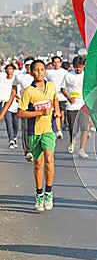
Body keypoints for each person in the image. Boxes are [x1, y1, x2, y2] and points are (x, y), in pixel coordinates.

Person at [17, 59, 60, 211]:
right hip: (34, 131)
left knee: (49, 158)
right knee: (38, 163)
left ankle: (49, 192)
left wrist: (57, 112)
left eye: (42, 69)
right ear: (31, 72)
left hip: (48, 130)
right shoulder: (29, 91)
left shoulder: (51, 86)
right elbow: (20, 112)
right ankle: (39, 194)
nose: (40, 72)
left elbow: (55, 98)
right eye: (36, 70)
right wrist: (40, 112)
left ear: (45, 71)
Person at [0, 57, 34, 160]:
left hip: (37, 106)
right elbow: (13, 92)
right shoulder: (20, 77)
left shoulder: (41, 77)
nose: (29, 68)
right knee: (26, 128)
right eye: (27, 65)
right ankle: (28, 151)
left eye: (31, 66)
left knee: (36, 130)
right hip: (24, 106)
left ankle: (35, 149)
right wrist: (3, 112)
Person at [61, 55, 89, 158]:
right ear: (73, 66)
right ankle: (72, 140)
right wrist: (69, 98)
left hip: (83, 105)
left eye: (81, 67)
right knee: (73, 127)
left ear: (84, 66)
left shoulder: (86, 76)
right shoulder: (68, 75)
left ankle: (82, 149)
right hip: (71, 105)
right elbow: (63, 89)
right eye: (77, 67)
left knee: (84, 128)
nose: (78, 69)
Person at [46, 56, 68, 139]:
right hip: (52, 96)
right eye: (54, 62)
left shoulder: (65, 72)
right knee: (55, 114)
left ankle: (60, 127)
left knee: (61, 114)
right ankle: (58, 130)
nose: (56, 64)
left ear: (60, 63)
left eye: (58, 62)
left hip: (62, 96)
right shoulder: (48, 72)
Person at [0, 64, 19, 149]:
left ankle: (14, 136)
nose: (9, 70)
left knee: (15, 123)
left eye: (11, 69)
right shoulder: (2, 80)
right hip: (5, 103)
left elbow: (17, 91)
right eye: (8, 69)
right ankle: (11, 139)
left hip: (15, 103)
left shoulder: (16, 80)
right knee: (8, 122)